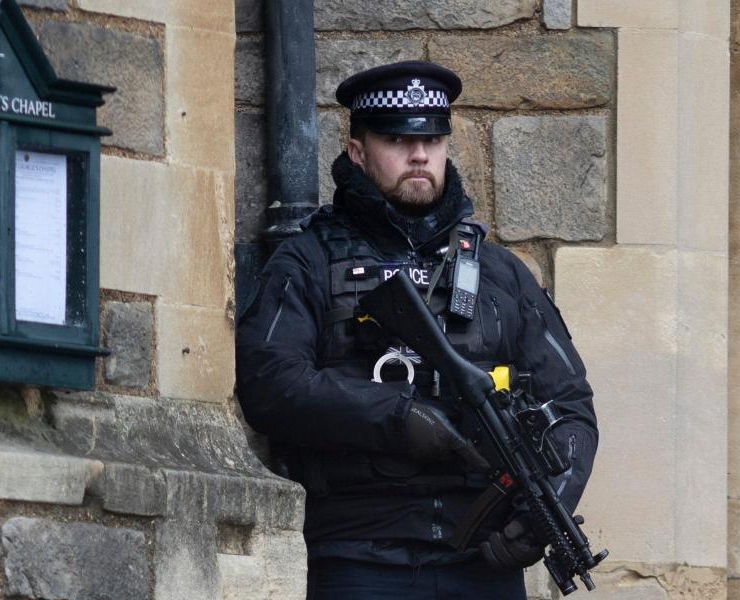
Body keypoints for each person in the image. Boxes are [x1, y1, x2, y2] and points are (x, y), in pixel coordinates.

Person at [235, 61, 598, 599]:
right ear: (357, 150)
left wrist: (543, 515)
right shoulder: (307, 261)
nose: (420, 155)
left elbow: (570, 408)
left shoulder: (501, 275)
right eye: (398, 139)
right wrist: (398, 419)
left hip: (482, 561)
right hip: (359, 555)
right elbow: (269, 382)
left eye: (432, 138)